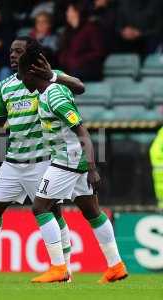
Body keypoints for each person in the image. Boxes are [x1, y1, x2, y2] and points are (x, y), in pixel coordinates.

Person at [0, 36, 85, 281]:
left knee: (53, 212)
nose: (12, 55)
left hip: (43, 160)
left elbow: (78, 85)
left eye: (18, 51)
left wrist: (54, 75)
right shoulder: (5, 86)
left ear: (30, 54)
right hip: (13, 162)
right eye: (11, 51)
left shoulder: (47, 77)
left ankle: (64, 268)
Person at [17, 40, 128, 283]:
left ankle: (58, 268)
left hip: (68, 160)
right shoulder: (54, 86)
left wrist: (92, 168)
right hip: (72, 160)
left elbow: (82, 132)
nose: (20, 81)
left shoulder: (54, 97)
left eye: (21, 75)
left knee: (40, 207)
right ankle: (116, 265)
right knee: (92, 212)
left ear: (30, 73)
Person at [58, 0, 105, 81]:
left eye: (69, 11)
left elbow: (98, 52)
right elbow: (63, 51)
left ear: (77, 12)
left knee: (70, 77)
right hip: (70, 68)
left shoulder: (91, 29)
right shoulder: (68, 31)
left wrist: (78, 61)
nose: (67, 13)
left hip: (88, 68)